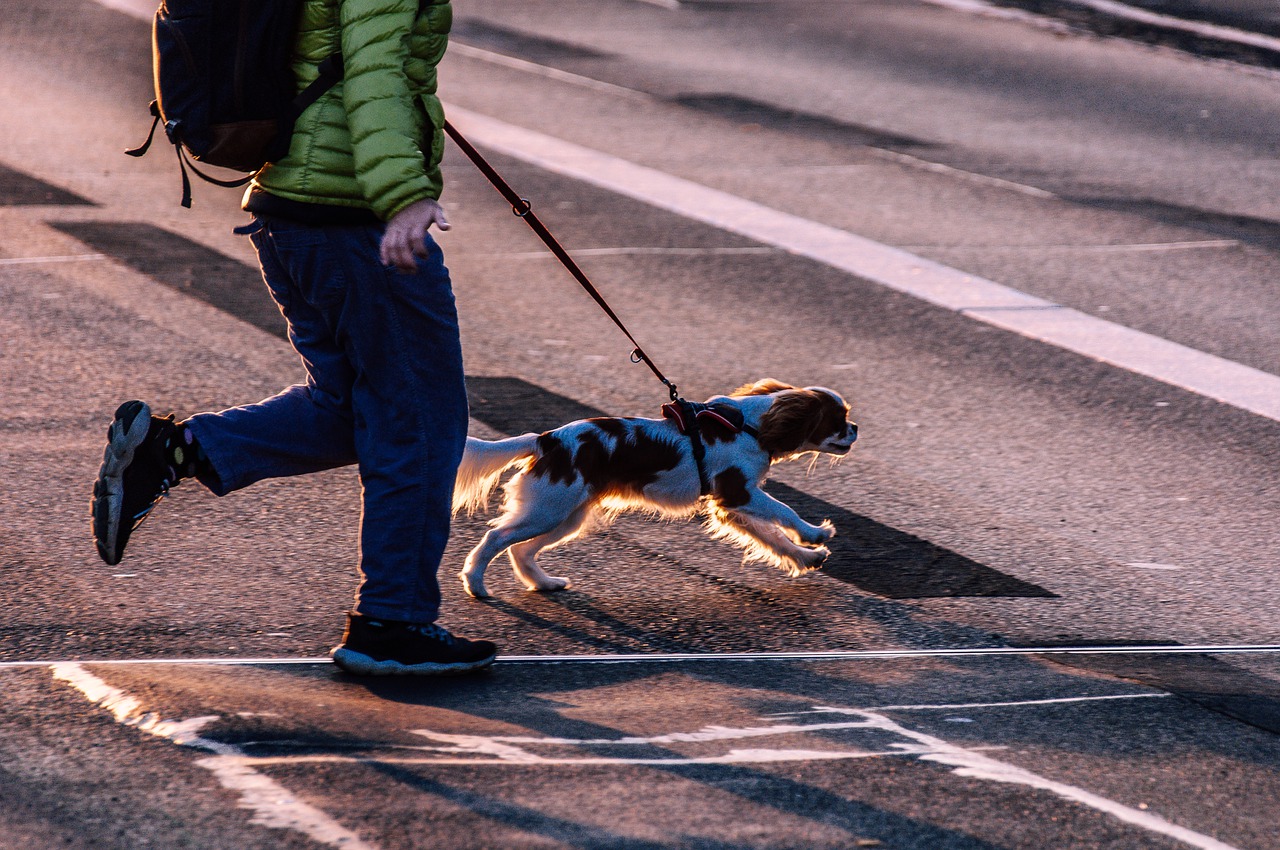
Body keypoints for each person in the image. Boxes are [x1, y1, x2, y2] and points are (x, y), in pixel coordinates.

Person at [91, 0, 497, 676]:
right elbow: (374, 72)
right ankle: (392, 623)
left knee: (349, 407)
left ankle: (173, 450)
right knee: (419, 423)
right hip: (351, 220)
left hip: (290, 210)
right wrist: (403, 194)